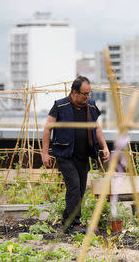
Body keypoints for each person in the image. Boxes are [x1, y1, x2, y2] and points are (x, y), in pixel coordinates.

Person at [42, 76, 110, 234]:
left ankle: (67, 222)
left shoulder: (91, 107)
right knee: (73, 187)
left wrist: (104, 146)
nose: (88, 97)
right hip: (65, 155)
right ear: (74, 92)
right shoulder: (60, 106)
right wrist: (45, 153)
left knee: (79, 189)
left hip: (83, 156)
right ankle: (74, 224)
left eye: (89, 94)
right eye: (84, 94)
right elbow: (47, 129)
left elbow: (97, 128)